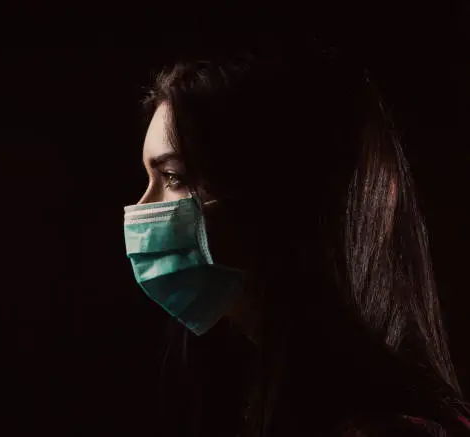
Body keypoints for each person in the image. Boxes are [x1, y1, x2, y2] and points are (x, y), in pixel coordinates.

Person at [122, 44, 470, 436]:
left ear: (274, 192)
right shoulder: (253, 394)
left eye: (173, 178)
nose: (141, 208)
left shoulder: (386, 429)